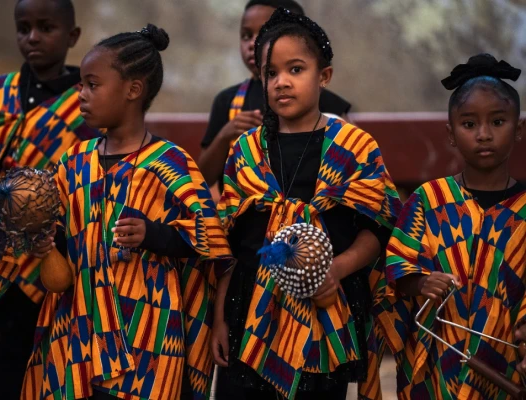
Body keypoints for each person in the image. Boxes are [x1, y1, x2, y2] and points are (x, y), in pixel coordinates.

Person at [21, 25, 232, 400]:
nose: (80, 93)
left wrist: (155, 235)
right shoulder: (73, 162)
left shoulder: (170, 163)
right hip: (79, 330)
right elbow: (58, 234)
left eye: (92, 84)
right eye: (81, 84)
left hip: (149, 338)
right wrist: (40, 236)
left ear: (133, 90)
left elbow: (209, 242)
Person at [212, 8, 401, 399]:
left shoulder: (354, 147)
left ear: (324, 76)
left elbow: (379, 229)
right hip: (248, 314)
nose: (282, 82)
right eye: (271, 73)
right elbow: (226, 246)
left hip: (324, 313)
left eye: (295, 69)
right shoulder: (245, 152)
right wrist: (219, 320)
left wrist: (335, 269)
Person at [0, 1, 98, 398]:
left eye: (46, 28)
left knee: (58, 349)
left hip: (60, 247)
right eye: (24, 28)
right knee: (7, 353)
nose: (33, 38)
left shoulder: (89, 98)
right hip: (0, 247)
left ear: (72, 36)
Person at [376, 53, 526, 399]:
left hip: (505, 371)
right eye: (469, 124)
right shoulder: (429, 200)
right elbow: (396, 271)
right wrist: (421, 282)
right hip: (435, 367)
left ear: (518, 129)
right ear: (451, 134)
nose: (484, 135)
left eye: (498, 122)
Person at [197, 0, 352, 190]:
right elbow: (201, 182)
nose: (253, 43)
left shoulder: (323, 104)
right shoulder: (228, 101)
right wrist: (224, 136)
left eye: (295, 69)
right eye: (246, 35)